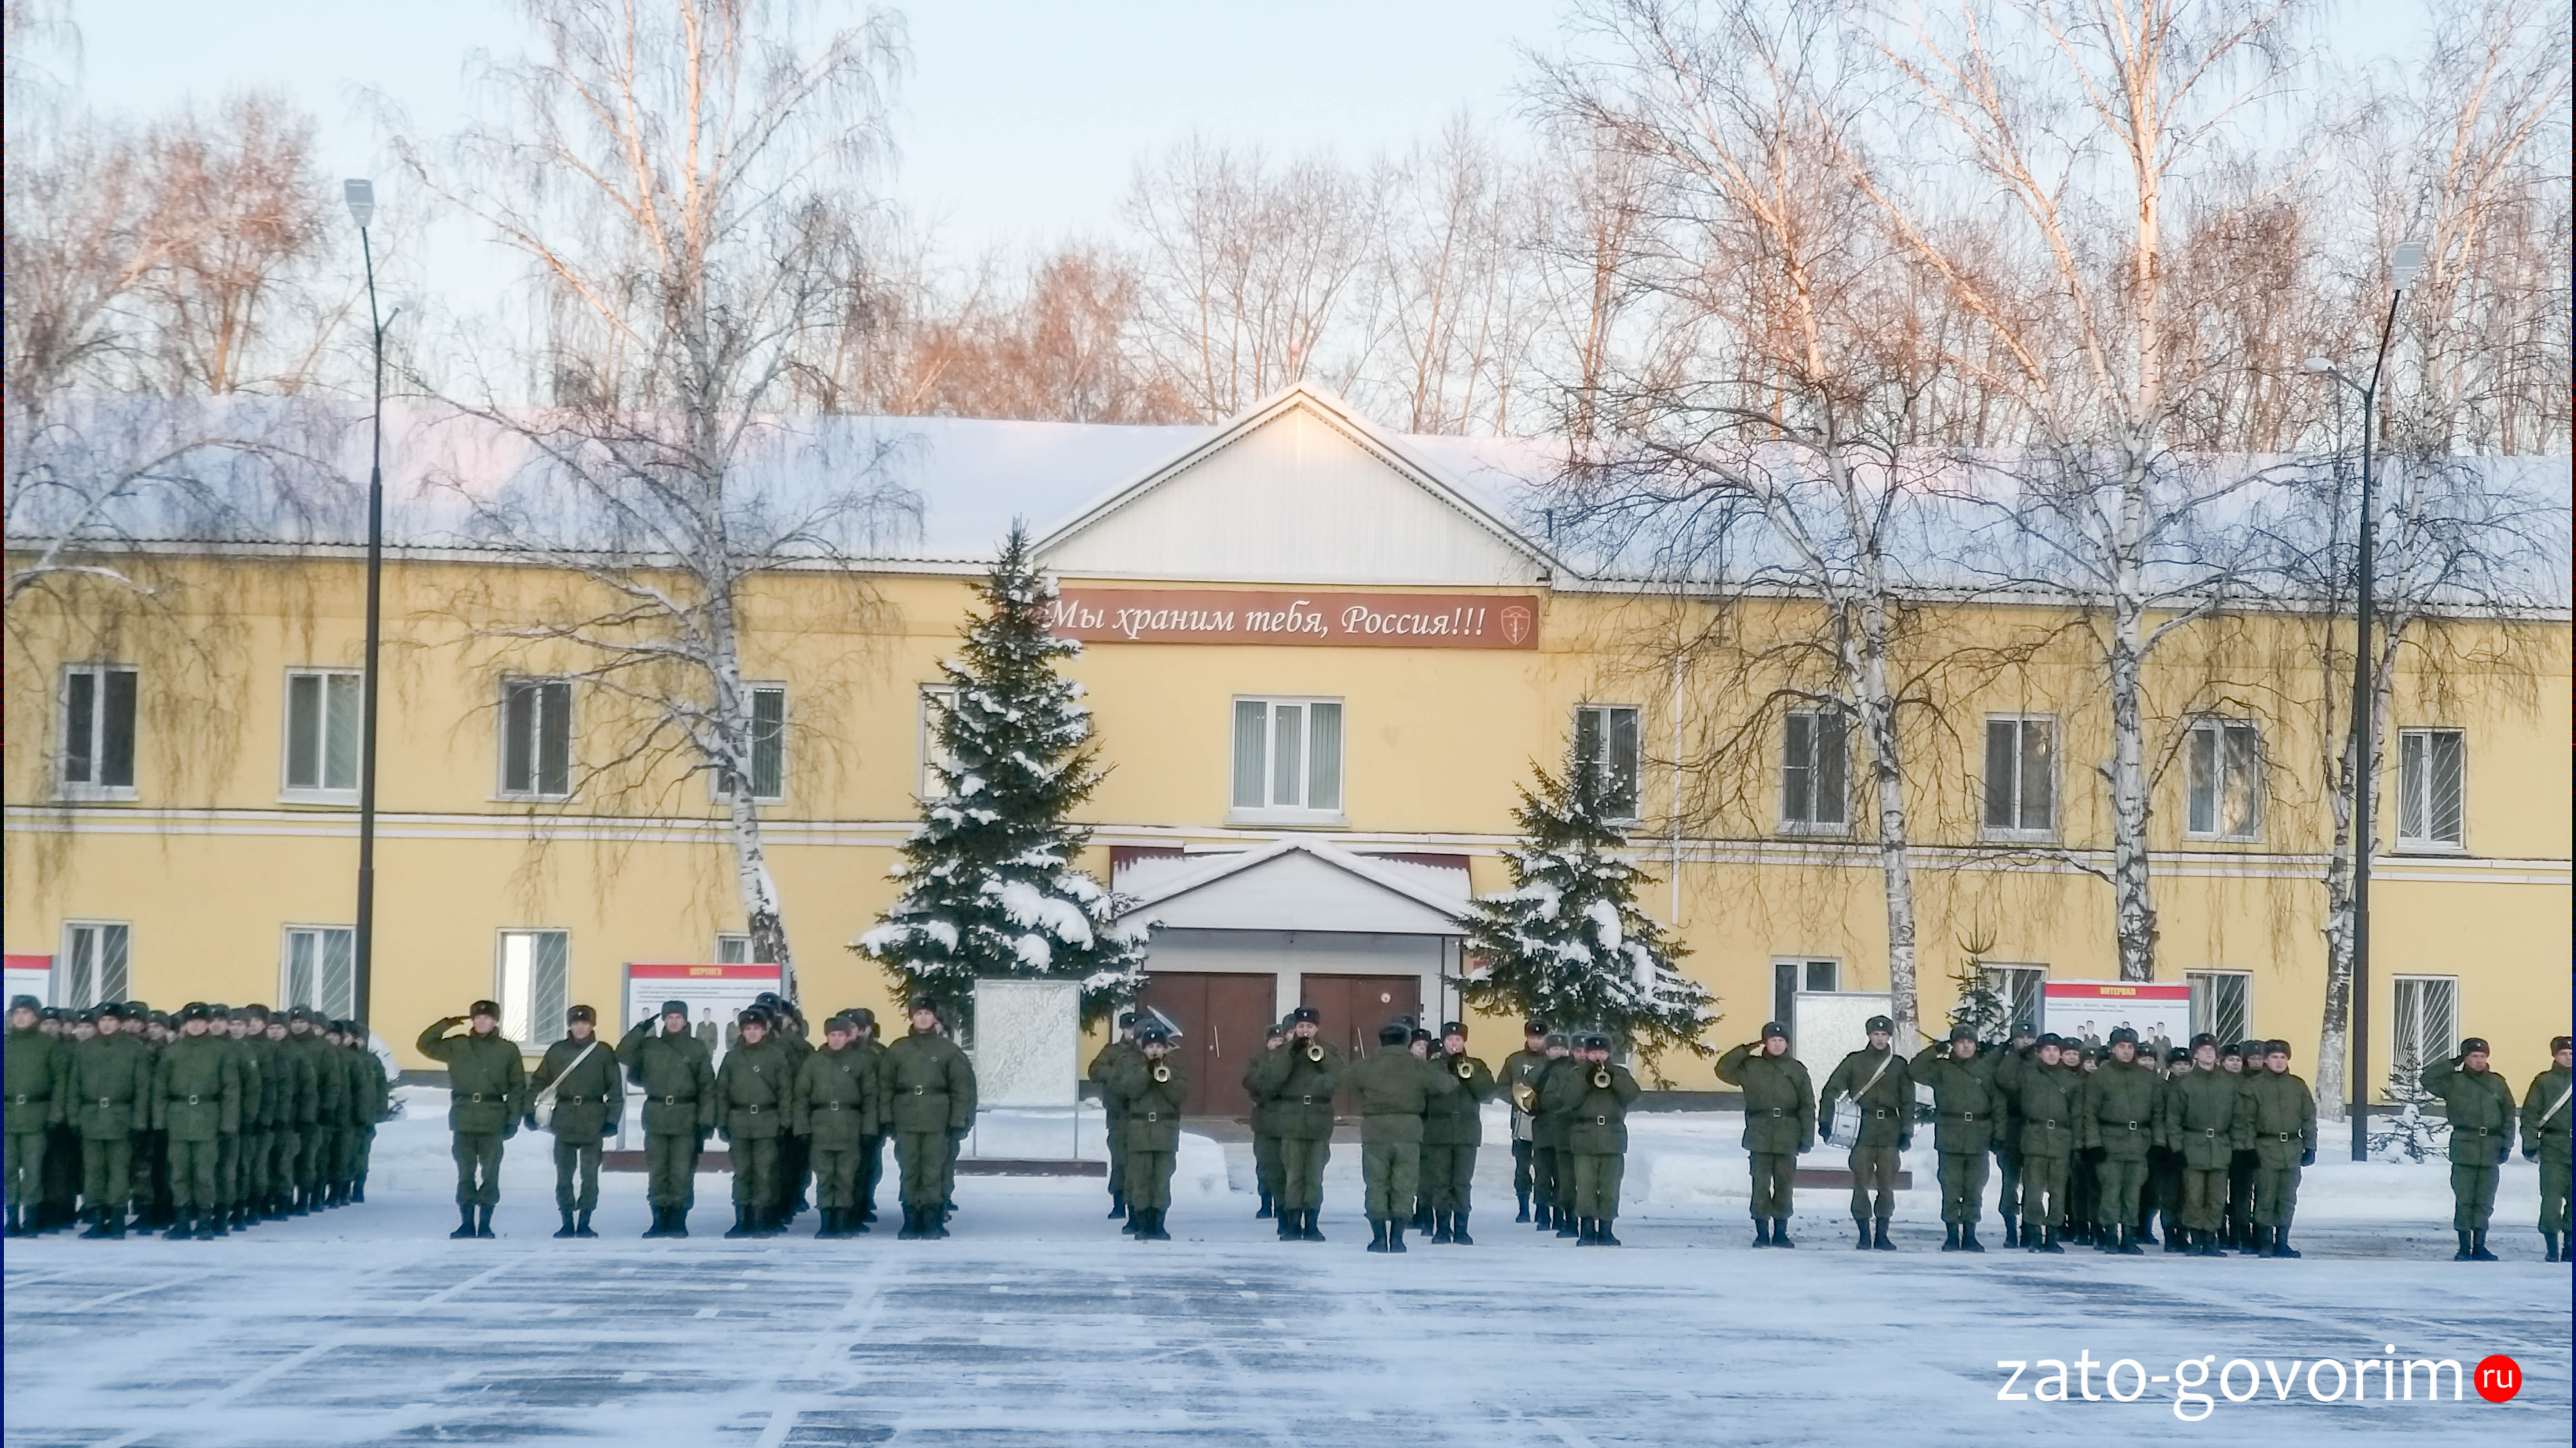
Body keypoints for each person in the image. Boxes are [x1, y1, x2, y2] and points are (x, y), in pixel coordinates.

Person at [417, 1002, 525, 1239]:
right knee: (465, 1172)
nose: (482, 1022)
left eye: (487, 1018)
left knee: (490, 1173)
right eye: (478, 1018)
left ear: (496, 1021)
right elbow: (424, 1045)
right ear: (473, 1020)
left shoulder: (507, 1050)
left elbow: (518, 1088)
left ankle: (485, 1224)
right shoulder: (458, 1045)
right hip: (464, 1116)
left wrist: (513, 1119)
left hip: (494, 1116)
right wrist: (446, 1024)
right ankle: (466, 1223)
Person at [622, 999, 717, 1237]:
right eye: (670, 1018)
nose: (674, 1022)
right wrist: (640, 1029)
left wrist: (706, 1120)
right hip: (656, 1116)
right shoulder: (650, 1046)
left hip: (686, 1116)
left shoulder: (696, 1048)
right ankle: (659, 1219)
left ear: (685, 1021)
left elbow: (707, 1086)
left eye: (679, 1018)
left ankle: (678, 1220)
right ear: (664, 1020)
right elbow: (622, 1054)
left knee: (681, 1171)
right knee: (658, 1170)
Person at [1716, 1022, 1814, 1247]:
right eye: (1772, 1041)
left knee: (1784, 1184)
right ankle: (1761, 1232)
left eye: (1781, 1041)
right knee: (1760, 1184)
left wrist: (1807, 1137)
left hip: (1788, 1133)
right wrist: (1747, 1048)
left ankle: (1781, 1232)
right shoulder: (1751, 1067)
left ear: (1787, 1044)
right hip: (1760, 1132)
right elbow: (1723, 1069)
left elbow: (1808, 1106)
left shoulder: (1797, 1070)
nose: (1777, 1045)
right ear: (1765, 1043)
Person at [883, 1001, 976, 1240]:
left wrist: (958, 1120)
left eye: (927, 1014)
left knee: (933, 1171)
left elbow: (961, 1089)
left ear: (935, 1019)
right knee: (910, 1170)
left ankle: (932, 1220)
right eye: (918, 1014)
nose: (923, 1019)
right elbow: (884, 1087)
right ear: (912, 1018)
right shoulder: (898, 1050)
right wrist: (886, 1118)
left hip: (938, 1119)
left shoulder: (948, 1051)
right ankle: (911, 1220)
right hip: (906, 1117)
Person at [1819, 1014, 1912, 1251]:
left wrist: (1907, 1132)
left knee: (1886, 1186)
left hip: (1890, 1130)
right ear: (1869, 1035)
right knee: (1861, 1183)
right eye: (1876, 1034)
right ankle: (1863, 1234)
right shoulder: (1854, 1062)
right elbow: (1831, 1090)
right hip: (1862, 1128)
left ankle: (1882, 1234)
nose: (1880, 1039)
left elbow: (1908, 1101)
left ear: (1889, 1037)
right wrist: (1826, 1121)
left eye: (1884, 1035)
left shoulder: (1899, 1065)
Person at [1247, 1004, 1339, 1242]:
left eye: (1309, 1027)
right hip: (1291, 1119)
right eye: (1301, 1027)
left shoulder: (1329, 1050)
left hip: (1318, 1119)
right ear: (1294, 1028)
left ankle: (1312, 1223)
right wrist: (1291, 1054)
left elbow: (1339, 1079)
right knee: (1294, 1174)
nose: (1305, 1031)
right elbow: (1271, 1083)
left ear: (1317, 1028)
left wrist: (1320, 1059)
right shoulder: (1282, 1052)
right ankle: (1292, 1223)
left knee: (1314, 1175)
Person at [529, 1004, 622, 1239]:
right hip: (564, 1118)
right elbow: (539, 1082)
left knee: (590, 1175)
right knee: (564, 1174)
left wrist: (612, 1120)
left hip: (594, 1118)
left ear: (592, 1025)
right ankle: (567, 1221)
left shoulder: (602, 1052)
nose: (581, 1027)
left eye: (585, 1023)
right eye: (576, 1023)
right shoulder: (557, 1052)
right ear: (570, 1025)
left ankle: (585, 1221)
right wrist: (529, 1112)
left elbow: (615, 1089)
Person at [2421, 1036, 2517, 1262]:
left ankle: (2480, 1246)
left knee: (2485, 1200)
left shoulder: (2497, 1083)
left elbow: (2508, 1115)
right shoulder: (2453, 1082)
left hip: (2491, 1146)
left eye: (2483, 1057)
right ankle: (2464, 1247)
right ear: (2466, 1058)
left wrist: (2507, 1144)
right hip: (2465, 1145)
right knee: (2465, 1198)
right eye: (2474, 1057)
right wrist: (2452, 1063)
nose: (2479, 1061)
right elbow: (2426, 1079)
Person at [151, 1005, 239, 1240]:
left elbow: (231, 1090)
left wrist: (228, 1123)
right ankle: (181, 1221)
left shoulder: (221, 1051)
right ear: (184, 1025)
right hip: (178, 1117)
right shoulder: (173, 1051)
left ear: (208, 1024)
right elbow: (160, 1088)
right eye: (191, 1022)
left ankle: (205, 1220)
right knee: (179, 1172)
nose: (196, 1025)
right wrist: (159, 1121)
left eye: (201, 1021)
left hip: (208, 1117)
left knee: (204, 1173)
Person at [1913, 1024, 2004, 1252]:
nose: (1966, 1046)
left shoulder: (1987, 1070)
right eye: (1961, 1042)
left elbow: (1999, 1104)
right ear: (1953, 1046)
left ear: (1976, 1045)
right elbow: (1914, 1070)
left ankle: (1971, 1235)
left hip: (1979, 1135)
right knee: (1951, 1187)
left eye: (1970, 1042)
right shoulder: (1941, 1069)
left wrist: (1998, 1135)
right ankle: (1952, 1235)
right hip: (1950, 1135)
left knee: (1975, 1188)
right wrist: (1936, 1050)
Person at [792, 1013, 882, 1238]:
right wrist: (802, 1127)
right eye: (832, 1035)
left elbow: (871, 1098)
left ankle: (842, 1221)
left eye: (841, 1035)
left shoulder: (860, 1062)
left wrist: (869, 1129)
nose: (836, 1039)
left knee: (845, 1175)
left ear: (848, 1037)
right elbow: (801, 1097)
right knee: (825, 1176)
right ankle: (826, 1221)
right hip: (821, 1125)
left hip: (850, 1125)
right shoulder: (814, 1062)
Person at [68, 1003, 153, 1237]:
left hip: (121, 1117)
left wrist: (139, 1121)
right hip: (91, 1117)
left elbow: (143, 1089)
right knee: (93, 1170)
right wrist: (74, 1117)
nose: (106, 1025)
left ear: (120, 1023)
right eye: (103, 1020)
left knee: (119, 1169)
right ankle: (96, 1217)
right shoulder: (85, 1050)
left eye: (112, 1021)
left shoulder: (134, 1049)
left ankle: (116, 1218)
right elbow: (74, 1086)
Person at [1549, 1032, 1641, 1246]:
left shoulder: (1619, 1073)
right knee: (1586, 1187)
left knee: (1610, 1187)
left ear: (1609, 1053)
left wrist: (1612, 1076)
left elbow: (1632, 1095)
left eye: (1602, 1052)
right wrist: (1587, 1079)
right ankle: (1587, 1230)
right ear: (1587, 1054)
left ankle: (1607, 1230)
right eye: (1594, 1052)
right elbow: (1568, 1099)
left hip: (1612, 1137)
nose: (1598, 1056)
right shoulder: (1576, 1074)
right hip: (1584, 1137)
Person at [2157, 1039, 2245, 1256]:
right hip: (2193, 1145)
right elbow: (2173, 1119)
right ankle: (2196, 1238)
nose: (2208, 1054)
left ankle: (2211, 1238)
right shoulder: (2185, 1084)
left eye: (2212, 1051)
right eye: (2204, 1050)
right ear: (2195, 1055)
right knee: (2194, 1196)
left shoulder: (2228, 1084)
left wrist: (2239, 1148)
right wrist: (2177, 1148)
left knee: (2217, 1197)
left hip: (2221, 1146)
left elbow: (2239, 1118)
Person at [2075, 1026, 2158, 1254]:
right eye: (2122, 1047)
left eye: (2131, 1047)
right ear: (2113, 1049)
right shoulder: (2101, 1076)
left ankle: (2129, 1237)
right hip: (2110, 1141)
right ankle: (2110, 1235)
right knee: (2111, 1191)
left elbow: (2158, 1112)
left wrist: (2157, 1143)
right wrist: (2093, 1144)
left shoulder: (2147, 1078)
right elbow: (2089, 1113)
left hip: (2139, 1142)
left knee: (2133, 1192)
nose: (2127, 1051)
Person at [1352, 1018, 1431, 1253]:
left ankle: (1378, 1238)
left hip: (1376, 1130)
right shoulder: (1417, 1066)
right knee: (1404, 1185)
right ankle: (1398, 1239)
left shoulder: (1367, 1065)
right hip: (1408, 1131)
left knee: (1376, 1183)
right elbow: (1447, 1085)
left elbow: (1339, 1081)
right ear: (1407, 1042)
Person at [714, 1006, 791, 1238]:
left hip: (767, 1121)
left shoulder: (775, 1056)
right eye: (748, 1029)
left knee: (764, 1172)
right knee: (742, 1172)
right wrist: (722, 1122)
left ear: (765, 1030)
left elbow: (785, 1091)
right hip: (739, 1121)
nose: (752, 1033)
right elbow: (722, 1092)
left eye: (756, 1029)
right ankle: (742, 1218)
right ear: (742, 1032)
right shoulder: (732, 1058)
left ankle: (760, 1218)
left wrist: (785, 1121)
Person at [1998, 1035, 2078, 1252]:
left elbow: (2078, 1114)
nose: (2052, 1054)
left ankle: (2052, 1235)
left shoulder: (2071, 1080)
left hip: (2061, 1139)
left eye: (2056, 1050)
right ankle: (2034, 1234)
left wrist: (2078, 1144)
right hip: (2035, 1136)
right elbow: (2004, 1080)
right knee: (2033, 1190)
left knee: (2058, 1191)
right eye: (2047, 1050)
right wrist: (2017, 1056)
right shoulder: (2028, 1074)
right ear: (2040, 1053)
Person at [1108, 1022, 1186, 1242]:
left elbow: (1179, 1095)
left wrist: (1165, 1078)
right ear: (1143, 1048)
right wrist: (1147, 1072)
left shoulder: (1176, 1067)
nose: (1155, 1051)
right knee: (1140, 1180)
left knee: (1162, 1181)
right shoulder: (1131, 1065)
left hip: (1165, 1132)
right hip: (1140, 1132)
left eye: (1159, 1047)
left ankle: (1159, 1224)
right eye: (1150, 1046)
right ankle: (1143, 1225)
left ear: (1165, 1049)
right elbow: (1127, 1091)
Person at [2239, 1039, 2314, 1257]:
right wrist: (2248, 1149)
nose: (2279, 1061)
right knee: (2265, 1196)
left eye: (2283, 1057)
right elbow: (2246, 1121)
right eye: (2274, 1057)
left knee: (2288, 1197)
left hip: (2291, 1148)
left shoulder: (2297, 1086)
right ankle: (2264, 1241)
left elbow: (2309, 1117)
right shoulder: (2254, 1087)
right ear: (2265, 1060)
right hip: (2265, 1148)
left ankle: (2282, 1241)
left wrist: (2310, 1146)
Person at [1423, 1021, 1497, 1245]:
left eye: (1458, 1040)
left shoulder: (1476, 1065)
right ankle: (1442, 1229)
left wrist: (1469, 1074)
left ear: (1464, 1042)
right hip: (1439, 1132)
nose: (1454, 1044)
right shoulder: (1433, 1066)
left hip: (1467, 1133)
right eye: (1450, 1040)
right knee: (1441, 1182)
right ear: (1443, 1042)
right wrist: (1448, 1071)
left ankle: (1462, 1228)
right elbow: (1429, 1091)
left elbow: (1486, 1093)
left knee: (1462, 1182)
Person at [6, 994, 67, 1238]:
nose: (21, 1018)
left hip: (37, 1114)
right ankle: (11, 1218)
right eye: (17, 1013)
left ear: (36, 1016)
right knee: (8, 1169)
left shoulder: (48, 1045)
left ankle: (31, 1218)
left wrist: (55, 1114)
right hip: (7, 1115)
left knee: (33, 1169)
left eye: (26, 1013)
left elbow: (60, 1082)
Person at [1087, 1011, 1142, 1225]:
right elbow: (1094, 1071)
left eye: (1135, 1029)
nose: (1132, 1033)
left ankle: (1135, 1206)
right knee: (1120, 1162)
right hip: (1119, 1117)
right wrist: (1116, 1075)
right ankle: (1118, 1203)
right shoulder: (1113, 1052)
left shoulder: (1144, 1051)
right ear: (1123, 1030)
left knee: (1137, 1164)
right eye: (1129, 1029)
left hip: (1139, 1115)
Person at [2522, 1035, 2571, 1262]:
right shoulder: (2544, 1082)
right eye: (2564, 1054)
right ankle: (2552, 1246)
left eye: (2572, 1054)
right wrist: (2531, 1145)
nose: (2569, 1058)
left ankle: (2570, 1247)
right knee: (2551, 1200)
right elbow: (2530, 1115)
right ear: (2555, 1056)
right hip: (2554, 1148)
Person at [1498, 1021, 1550, 1223]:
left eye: (1540, 1038)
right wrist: (1517, 1099)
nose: (1536, 1042)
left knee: (1543, 1166)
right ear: (1526, 1038)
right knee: (1522, 1166)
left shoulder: (1550, 1060)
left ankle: (1542, 1207)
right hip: (1521, 1119)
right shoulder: (1515, 1061)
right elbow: (1502, 1086)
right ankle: (1523, 1207)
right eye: (1532, 1038)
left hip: (1545, 1119)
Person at [1534, 1032, 1581, 1237]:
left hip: (1569, 1131)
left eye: (1563, 1049)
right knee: (1544, 1175)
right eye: (1555, 1049)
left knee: (1565, 1179)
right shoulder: (1542, 1070)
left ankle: (1564, 1216)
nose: (1560, 1052)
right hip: (1545, 1130)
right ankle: (1543, 1213)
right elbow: (1526, 1092)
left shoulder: (1576, 1071)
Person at [1991, 1022, 2035, 1244]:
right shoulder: (2006, 1060)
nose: (2026, 1042)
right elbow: (2005, 1081)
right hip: (2011, 1128)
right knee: (2010, 1182)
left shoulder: (2039, 1061)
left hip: (2034, 1129)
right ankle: (2010, 1229)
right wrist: (2010, 1055)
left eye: (2030, 1038)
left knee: (2033, 1183)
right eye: (2022, 1037)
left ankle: (2029, 1228)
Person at [1245, 1021, 1288, 1220]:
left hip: (1286, 1119)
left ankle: (1282, 1204)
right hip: (1264, 1120)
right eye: (1274, 1040)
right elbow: (1251, 1082)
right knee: (1264, 1164)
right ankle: (1265, 1203)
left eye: (1280, 1040)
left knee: (1284, 1164)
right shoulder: (1258, 1061)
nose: (1277, 1044)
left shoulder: (1290, 1061)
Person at [2217, 1041, 2256, 1249]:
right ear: (2222, 1062)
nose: (2235, 1064)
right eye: (2231, 1060)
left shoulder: (2249, 1085)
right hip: (2220, 1145)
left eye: (2238, 1060)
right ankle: (2221, 1232)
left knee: (2242, 1195)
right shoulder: (2216, 1083)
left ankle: (2241, 1232)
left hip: (2243, 1148)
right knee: (2219, 1193)